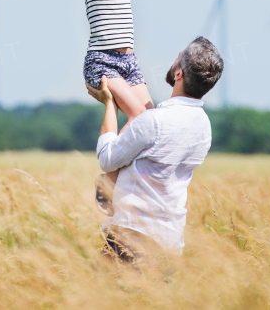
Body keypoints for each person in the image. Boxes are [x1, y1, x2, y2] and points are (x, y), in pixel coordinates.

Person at [86, 36, 224, 262]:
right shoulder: (204, 127)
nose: (174, 60)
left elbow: (107, 158)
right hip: (170, 244)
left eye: (178, 57)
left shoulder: (155, 122)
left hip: (132, 239)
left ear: (179, 74)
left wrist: (109, 103)